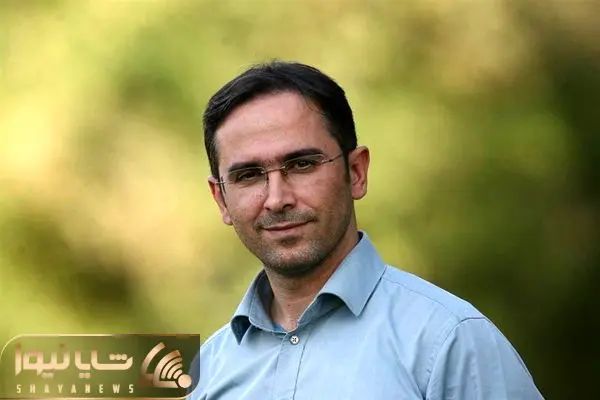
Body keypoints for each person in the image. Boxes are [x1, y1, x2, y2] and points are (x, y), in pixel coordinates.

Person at [189, 61, 544, 399]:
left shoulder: (449, 340)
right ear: (221, 199)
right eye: (249, 175)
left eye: (302, 164)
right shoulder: (208, 372)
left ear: (356, 172)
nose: (277, 199)